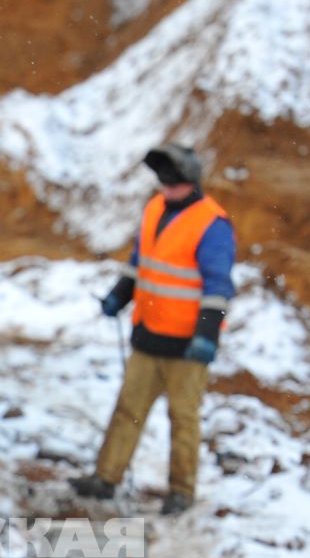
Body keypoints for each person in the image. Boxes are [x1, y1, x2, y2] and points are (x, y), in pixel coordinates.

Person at [72, 143, 235, 516]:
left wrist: (207, 336)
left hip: (187, 347)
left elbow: (218, 286)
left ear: (190, 181)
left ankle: (181, 491)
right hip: (148, 337)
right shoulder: (154, 210)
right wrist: (119, 295)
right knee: (128, 408)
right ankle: (105, 478)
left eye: (173, 181)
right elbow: (139, 263)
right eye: (163, 181)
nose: (167, 188)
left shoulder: (212, 224)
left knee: (183, 419)